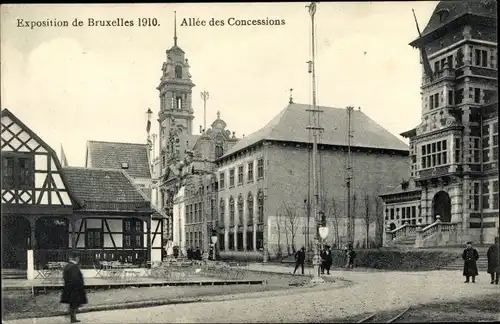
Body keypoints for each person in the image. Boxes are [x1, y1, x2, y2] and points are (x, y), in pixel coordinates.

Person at [60, 251, 87, 323]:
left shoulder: (67, 266)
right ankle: (72, 317)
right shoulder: (74, 267)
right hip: (74, 289)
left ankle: (73, 317)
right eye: (78, 258)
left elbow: (65, 277)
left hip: (68, 288)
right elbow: (75, 278)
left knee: (73, 303)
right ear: (76, 258)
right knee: (74, 303)